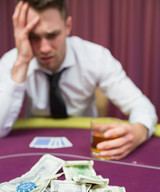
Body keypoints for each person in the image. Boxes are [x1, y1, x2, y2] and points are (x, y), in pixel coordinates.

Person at [0, 0, 157, 160]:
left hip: (85, 146)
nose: (44, 48)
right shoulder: (13, 61)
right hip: (32, 147)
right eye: (33, 37)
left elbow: (141, 105)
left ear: (68, 26)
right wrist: (22, 62)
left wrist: (139, 131)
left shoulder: (96, 57)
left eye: (52, 35)